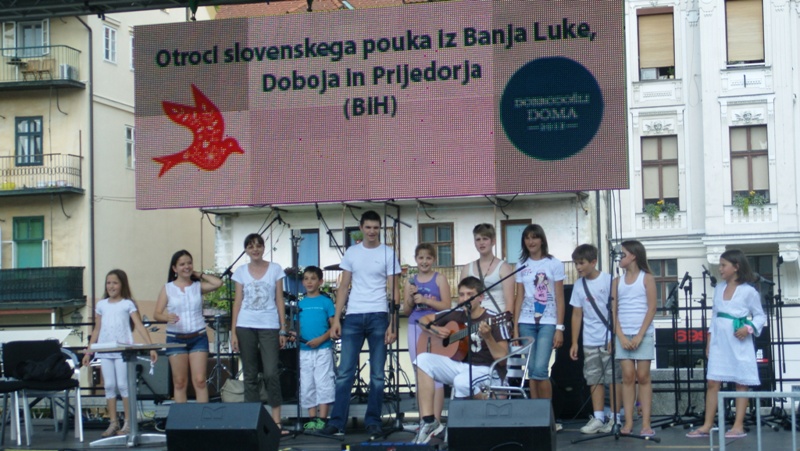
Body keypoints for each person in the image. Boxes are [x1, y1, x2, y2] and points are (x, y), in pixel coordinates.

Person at [320, 210, 401, 437]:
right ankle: (337, 422)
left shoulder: (388, 253)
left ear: (379, 229)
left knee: (377, 374)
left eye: (376, 228)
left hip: (379, 315)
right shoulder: (352, 252)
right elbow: (343, 286)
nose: (372, 231)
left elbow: (394, 289)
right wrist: (337, 319)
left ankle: (373, 421)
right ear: (361, 228)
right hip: (354, 315)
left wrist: (393, 323)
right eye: (368, 227)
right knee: (345, 371)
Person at [413, 276, 511, 444]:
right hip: (461, 366)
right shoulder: (455, 314)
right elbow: (423, 320)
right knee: (422, 360)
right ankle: (429, 422)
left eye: (470, 294)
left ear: (481, 297)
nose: (465, 299)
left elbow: (502, 360)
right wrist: (436, 330)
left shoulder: (494, 319)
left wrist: (488, 337)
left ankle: (483, 408)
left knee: (461, 382)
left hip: (488, 369)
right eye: (461, 294)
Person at [686, 249, 766, 439]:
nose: (720, 269)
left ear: (736, 267)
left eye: (723, 265)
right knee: (713, 381)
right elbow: (715, 316)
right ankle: (707, 424)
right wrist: (709, 341)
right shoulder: (719, 288)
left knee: (741, 383)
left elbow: (760, 316)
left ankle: (738, 426)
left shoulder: (749, 291)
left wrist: (748, 328)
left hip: (739, 341)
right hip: (720, 342)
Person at [83, 269, 158, 437]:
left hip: (123, 351)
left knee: (124, 385)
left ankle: (128, 423)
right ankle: (113, 422)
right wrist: (89, 352)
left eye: (115, 283)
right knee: (109, 385)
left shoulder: (127, 304)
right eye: (108, 283)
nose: (111, 286)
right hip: (106, 349)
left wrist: (151, 346)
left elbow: (139, 325)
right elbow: (97, 329)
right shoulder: (101, 305)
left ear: (122, 284)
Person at [230, 233, 287, 432]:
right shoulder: (240, 272)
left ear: (264, 247)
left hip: (269, 324)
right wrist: (233, 332)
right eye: (250, 246)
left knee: (271, 372)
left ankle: (276, 421)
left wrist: (283, 328)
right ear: (246, 250)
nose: (255, 249)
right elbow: (237, 302)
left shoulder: (275, 269)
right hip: (245, 324)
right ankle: (253, 421)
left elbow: (279, 299)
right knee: (250, 373)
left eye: (258, 245)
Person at [154, 250, 222, 403]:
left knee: (200, 380)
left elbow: (218, 283)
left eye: (189, 263)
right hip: (175, 338)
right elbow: (157, 314)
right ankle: (182, 416)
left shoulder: (197, 286)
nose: (186, 266)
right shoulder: (168, 288)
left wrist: (199, 274)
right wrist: (166, 317)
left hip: (198, 336)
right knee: (179, 382)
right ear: (174, 268)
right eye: (182, 264)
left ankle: (202, 416)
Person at [568, 244, 622, 434]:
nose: (578, 267)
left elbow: (616, 310)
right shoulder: (578, 285)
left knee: (613, 379)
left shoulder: (609, 281)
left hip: (608, 337)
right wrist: (574, 342)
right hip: (589, 339)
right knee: (593, 378)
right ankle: (598, 417)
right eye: (576, 263)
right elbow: (577, 314)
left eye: (581, 263)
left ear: (593, 262)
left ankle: (615, 417)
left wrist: (615, 335)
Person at [514, 224, 565, 401]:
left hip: (548, 322)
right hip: (525, 321)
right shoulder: (521, 265)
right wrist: (515, 328)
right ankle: (535, 410)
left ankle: (547, 412)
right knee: (531, 370)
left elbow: (560, 298)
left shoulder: (554, 263)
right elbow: (519, 297)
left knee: (541, 369)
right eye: (527, 238)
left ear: (542, 240)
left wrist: (559, 328)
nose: (531, 241)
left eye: (534, 237)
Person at [612, 240, 657, 437]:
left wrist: (640, 335)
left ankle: (646, 422)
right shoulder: (616, 282)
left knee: (643, 376)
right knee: (628, 376)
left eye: (623, 254)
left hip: (643, 333)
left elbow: (652, 308)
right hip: (624, 334)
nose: (619, 257)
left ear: (633, 256)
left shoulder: (647, 278)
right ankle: (628, 421)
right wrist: (620, 336)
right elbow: (613, 311)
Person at [404, 243, 451, 423]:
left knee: (435, 373)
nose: (424, 261)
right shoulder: (410, 281)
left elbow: (447, 306)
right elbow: (406, 310)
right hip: (414, 326)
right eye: (421, 258)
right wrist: (411, 298)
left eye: (428, 258)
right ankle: (424, 421)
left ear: (434, 260)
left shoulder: (440, 279)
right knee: (419, 372)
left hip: (434, 327)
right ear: (416, 259)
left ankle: (436, 421)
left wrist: (425, 300)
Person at [296, 266, 336, 431]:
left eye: (313, 278)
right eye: (306, 278)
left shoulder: (326, 302)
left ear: (320, 281)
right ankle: (312, 418)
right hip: (304, 350)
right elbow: (296, 326)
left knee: (323, 382)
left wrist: (321, 339)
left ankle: (323, 418)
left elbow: (334, 327)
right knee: (307, 383)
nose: (309, 282)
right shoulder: (300, 304)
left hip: (323, 349)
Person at [460, 223, 515, 313]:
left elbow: (510, 303)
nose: (481, 242)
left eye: (485, 238)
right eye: (478, 239)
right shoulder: (467, 269)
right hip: (473, 317)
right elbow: (462, 299)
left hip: (497, 316)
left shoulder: (504, 268)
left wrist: (506, 319)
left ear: (493, 241)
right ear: (474, 243)